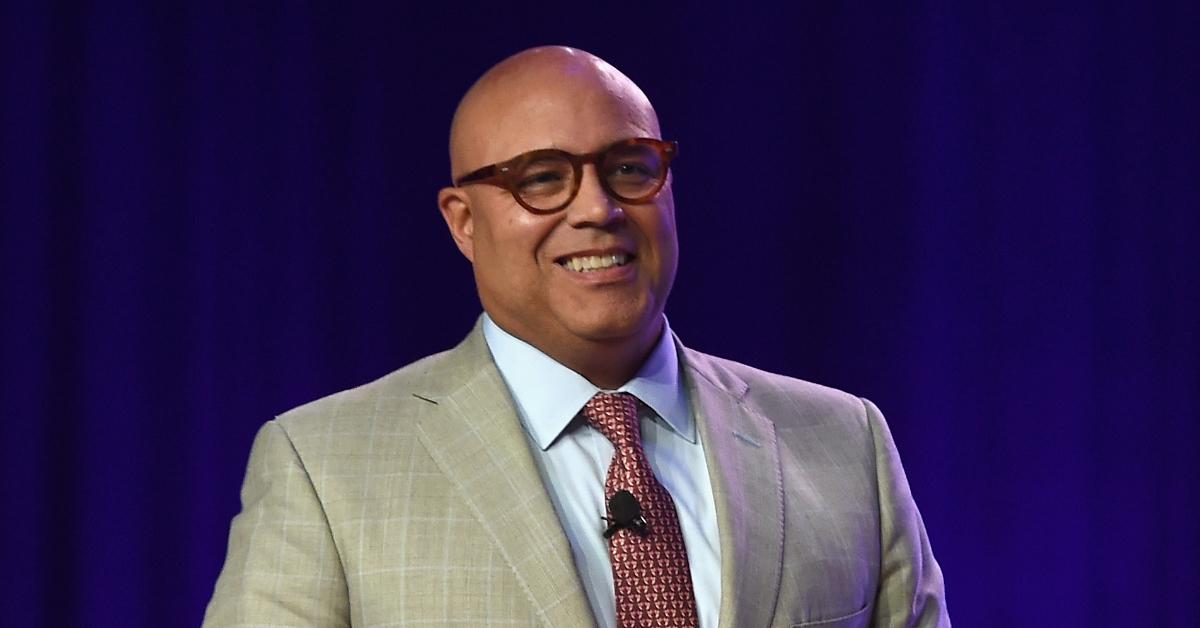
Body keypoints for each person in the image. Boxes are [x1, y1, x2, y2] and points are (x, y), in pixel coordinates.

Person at [204, 46, 949, 627]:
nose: (597, 208)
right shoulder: (325, 468)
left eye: (629, 168)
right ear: (464, 222)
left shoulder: (843, 443)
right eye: (542, 178)